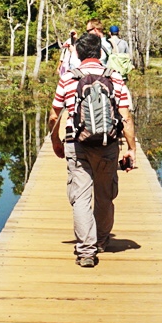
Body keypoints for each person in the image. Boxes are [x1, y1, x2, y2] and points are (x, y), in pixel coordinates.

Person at [48, 31, 141, 268]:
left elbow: (54, 115)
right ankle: (100, 241)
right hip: (108, 145)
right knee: (105, 195)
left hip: (77, 144)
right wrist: (131, 149)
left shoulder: (68, 78)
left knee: (80, 198)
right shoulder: (115, 77)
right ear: (100, 53)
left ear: (77, 55)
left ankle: (86, 251)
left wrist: (55, 141)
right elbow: (126, 118)